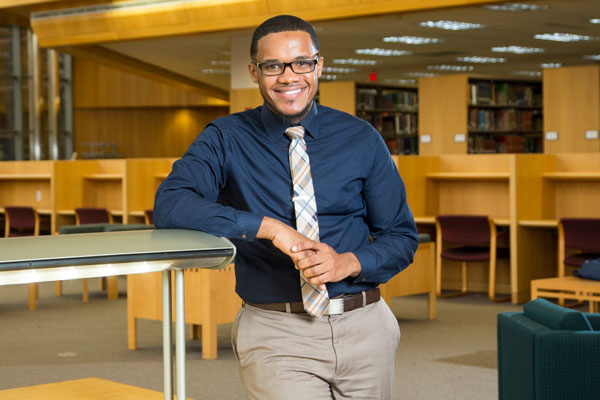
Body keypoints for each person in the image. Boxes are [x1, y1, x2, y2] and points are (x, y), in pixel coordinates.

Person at [154, 14, 418, 400]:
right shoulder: (225, 138)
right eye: (273, 66)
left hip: (365, 327)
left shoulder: (361, 138)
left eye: (302, 63)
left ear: (318, 65)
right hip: (277, 332)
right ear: (254, 72)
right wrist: (270, 228)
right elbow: (171, 204)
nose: (289, 77)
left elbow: (401, 236)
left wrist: (347, 263)